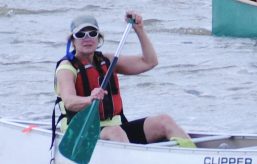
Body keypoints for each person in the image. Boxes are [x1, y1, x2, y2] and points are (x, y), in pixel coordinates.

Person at [54, 11, 191, 144]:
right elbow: (69, 101)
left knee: (164, 121)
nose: (87, 38)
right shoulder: (67, 68)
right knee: (115, 132)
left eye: (92, 33)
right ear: (72, 40)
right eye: (80, 35)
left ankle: (194, 157)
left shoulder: (109, 60)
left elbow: (149, 62)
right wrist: (90, 99)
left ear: (98, 38)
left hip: (116, 129)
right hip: (80, 131)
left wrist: (139, 29)